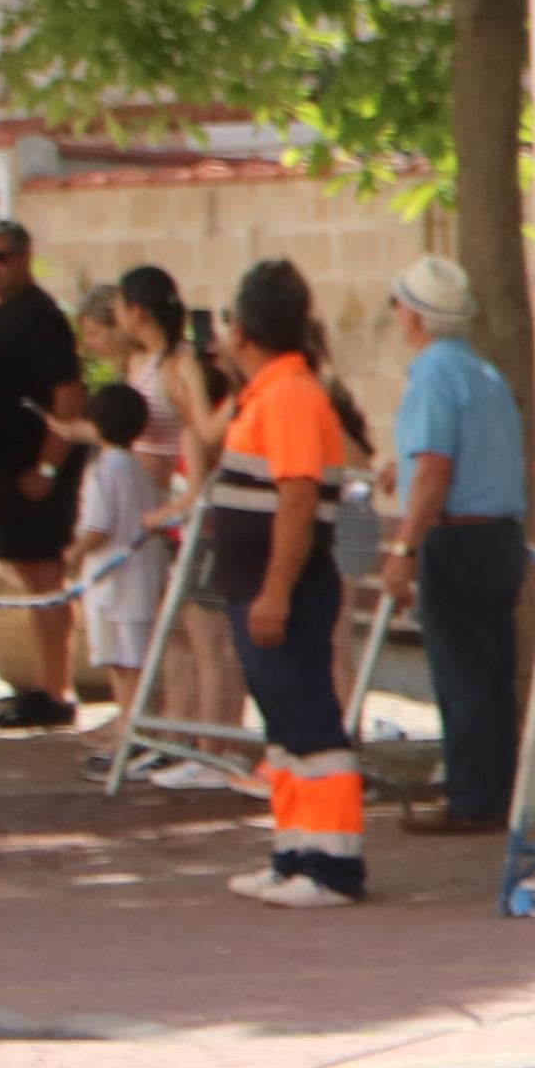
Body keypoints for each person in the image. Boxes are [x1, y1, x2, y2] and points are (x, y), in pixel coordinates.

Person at [204, 260, 367, 907]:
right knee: (284, 729)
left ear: (241, 328)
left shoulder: (292, 395)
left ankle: (333, 867)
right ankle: (294, 852)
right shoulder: (266, 394)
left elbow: (298, 498)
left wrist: (275, 590)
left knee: (310, 725)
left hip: (283, 590)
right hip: (257, 587)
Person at [368, 255, 530, 834]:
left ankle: (473, 797)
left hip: (457, 537)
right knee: (488, 671)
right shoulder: (481, 374)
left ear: (411, 315)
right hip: (498, 535)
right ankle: (494, 790)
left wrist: (403, 549)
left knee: (461, 674)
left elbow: (435, 468)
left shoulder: (432, 377)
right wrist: (405, 475)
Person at [110, 267, 247, 789]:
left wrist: (249, 392)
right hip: (174, 515)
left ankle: (213, 750)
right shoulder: (154, 364)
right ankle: (188, 740)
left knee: (207, 640)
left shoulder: (180, 365)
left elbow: (204, 429)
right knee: (181, 641)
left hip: (195, 516)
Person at [0, 222, 85, 730]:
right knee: (27, 570)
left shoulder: (40, 316)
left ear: (23, 257)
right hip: (10, 464)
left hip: (38, 466)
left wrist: (47, 465)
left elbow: (67, 394)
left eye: (1, 257)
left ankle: (54, 689)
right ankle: (43, 683)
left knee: (45, 576)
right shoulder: (6, 314)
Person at [67, 383, 169, 759]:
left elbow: (98, 526)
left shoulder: (101, 471)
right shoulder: (138, 469)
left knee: (122, 663)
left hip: (112, 583)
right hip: (138, 578)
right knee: (131, 660)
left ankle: (130, 730)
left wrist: (73, 553)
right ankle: (131, 726)